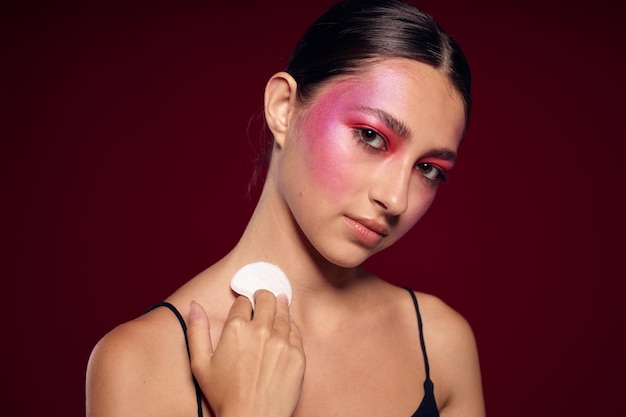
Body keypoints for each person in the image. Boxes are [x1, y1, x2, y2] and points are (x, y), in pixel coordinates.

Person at [86, 0, 485, 416]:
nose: (396, 199)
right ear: (283, 108)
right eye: (371, 136)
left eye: (428, 169)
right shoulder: (141, 363)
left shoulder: (440, 344)